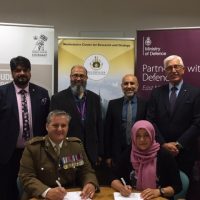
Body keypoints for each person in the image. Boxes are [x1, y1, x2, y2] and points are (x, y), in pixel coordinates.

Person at [19, 110, 99, 200]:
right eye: (55, 125)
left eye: (63, 125)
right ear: (47, 126)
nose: (60, 129)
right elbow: (26, 177)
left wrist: (90, 183)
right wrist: (47, 192)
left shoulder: (76, 146)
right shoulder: (33, 147)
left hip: (69, 196)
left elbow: (86, 171)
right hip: (40, 196)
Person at [0, 56, 50, 200]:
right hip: (8, 153)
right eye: (17, 70)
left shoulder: (42, 93)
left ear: (30, 72)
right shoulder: (2, 93)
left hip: (35, 152)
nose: (22, 73)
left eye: (25, 70)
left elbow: (47, 123)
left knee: (34, 189)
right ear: (12, 73)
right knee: (7, 189)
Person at [146, 55, 200, 178]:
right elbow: (150, 120)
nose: (173, 70)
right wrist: (163, 144)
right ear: (165, 72)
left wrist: (179, 144)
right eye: (169, 68)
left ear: (183, 70)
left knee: (184, 189)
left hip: (185, 152)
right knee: (161, 189)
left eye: (176, 67)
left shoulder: (195, 93)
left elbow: (198, 122)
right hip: (161, 151)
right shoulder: (156, 93)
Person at [110, 120, 182, 200]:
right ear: (133, 137)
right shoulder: (128, 153)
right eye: (138, 136)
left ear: (152, 135)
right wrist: (121, 188)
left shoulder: (164, 155)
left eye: (146, 135)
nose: (142, 139)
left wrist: (159, 191)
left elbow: (177, 186)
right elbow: (113, 177)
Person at [50, 65, 103, 166]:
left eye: (82, 76)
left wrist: (100, 152)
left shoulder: (94, 98)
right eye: (75, 75)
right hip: (67, 151)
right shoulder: (58, 99)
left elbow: (99, 126)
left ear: (86, 78)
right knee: (71, 180)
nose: (78, 78)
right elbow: (53, 128)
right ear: (70, 77)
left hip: (91, 153)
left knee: (90, 180)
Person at [104, 74, 147, 167]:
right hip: (117, 153)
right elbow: (108, 131)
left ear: (137, 86)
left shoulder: (146, 104)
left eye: (132, 83)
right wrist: (108, 156)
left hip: (139, 151)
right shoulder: (113, 104)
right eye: (126, 84)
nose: (129, 86)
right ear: (122, 86)